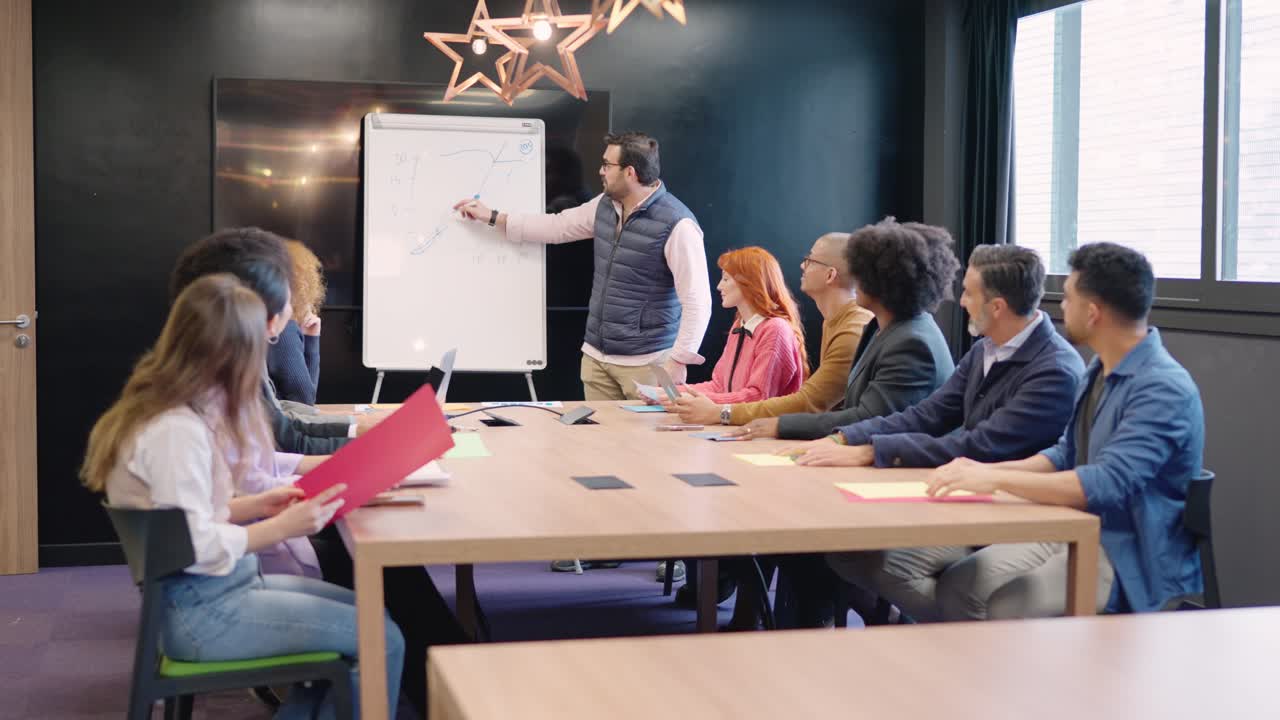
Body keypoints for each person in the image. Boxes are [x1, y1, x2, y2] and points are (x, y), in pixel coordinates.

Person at [169, 228, 465, 717]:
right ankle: (453, 686)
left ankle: (451, 682)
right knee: (391, 596)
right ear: (250, 309)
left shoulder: (212, 374)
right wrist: (288, 512)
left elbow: (265, 459)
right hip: (239, 568)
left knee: (399, 581)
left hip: (242, 552)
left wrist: (355, 461)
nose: (291, 313)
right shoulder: (210, 395)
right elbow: (234, 491)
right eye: (285, 301)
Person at [82, 274, 405, 719]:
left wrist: (256, 506)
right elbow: (194, 546)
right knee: (382, 638)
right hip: (203, 612)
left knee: (370, 615)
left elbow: (184, 520)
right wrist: (280, 527)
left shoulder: (169, 410)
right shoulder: (176, 431)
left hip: (208, 595)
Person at [832, 243, 1204, 620]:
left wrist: (995, 480)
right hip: (1072, 525)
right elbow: (1065, 454)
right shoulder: (1101, 371)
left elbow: (1103, 484)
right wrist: (988, 473)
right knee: (957, 586)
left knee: (983, 599)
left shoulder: (1161, 387)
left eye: (1070, 297)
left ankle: (977, 666)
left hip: (1129, 554)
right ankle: (958, 659)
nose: (1060, 306)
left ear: (1093, 313)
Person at [721, 219, 959, 630]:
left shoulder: (910, 339)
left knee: (804, 544)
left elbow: (871, 418)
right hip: (876, 463)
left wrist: (782, 426)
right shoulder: (888, 328)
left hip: (899, 477)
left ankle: (801, 639)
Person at [454, 131, 712, 399]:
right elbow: (557, 226)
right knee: (597, 441)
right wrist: (493, 217)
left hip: (647, 363)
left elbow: (697, 301)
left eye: (607, 165)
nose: (600, 171)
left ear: (630, 173)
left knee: (642, 441)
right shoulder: (604, 206)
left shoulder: (678, 225)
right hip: (596, 359)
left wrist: (679, 360)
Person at [779, 243, 1083, 470]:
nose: (961, 302)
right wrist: (844, 438)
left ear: (997, 307)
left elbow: (983, 445)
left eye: (968, 293)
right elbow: (927, 415)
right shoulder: (984, 350)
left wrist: (871, 450)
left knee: (880, 553)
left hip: (1007, 508)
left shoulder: (1054, 371)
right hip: (965, 487)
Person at [729, 220, 956, 442]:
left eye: (861, 272)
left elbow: (866, 419)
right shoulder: (882, 328)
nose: (855, 280)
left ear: (883, 282)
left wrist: (779, 425)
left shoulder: (911, 344)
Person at [170, 228, 374, 455]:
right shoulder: (188, 418)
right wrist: (368, 440)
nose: (287, 310)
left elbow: (272, 450)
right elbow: (292, 429)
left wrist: (359, 430)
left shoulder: (223, 366)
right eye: (286, 298)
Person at [668, 232, 875, 426]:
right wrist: (681, 395)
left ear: (830, 275)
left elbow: (810, 403)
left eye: (810, 260)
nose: (803, 265)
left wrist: (719, 412)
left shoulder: (852, 331)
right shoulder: (834, 320)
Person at [666, 246, 808, 405]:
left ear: (749, 283)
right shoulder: (739, 327)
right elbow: (719, 386)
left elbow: (758, 397)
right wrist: (668, 392)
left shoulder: (775, 329)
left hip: (760, 427)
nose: (719, 286)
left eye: (726, 279)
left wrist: (689, 399)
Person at [268, 239, 327, 405]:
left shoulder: (258, 322)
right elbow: (306, 401)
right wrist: (312, 343)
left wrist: (310, 338)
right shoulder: (284, 329)